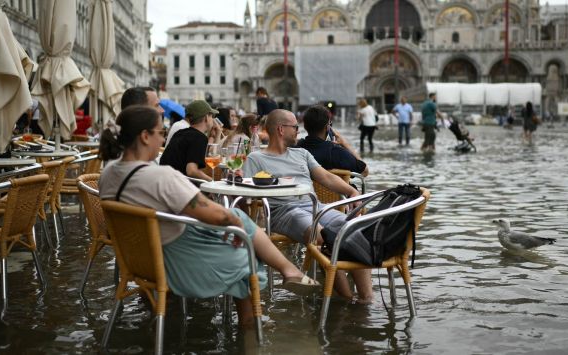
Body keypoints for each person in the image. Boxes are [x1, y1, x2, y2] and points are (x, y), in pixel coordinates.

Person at [98, 106, 319, 329]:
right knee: (245, 248)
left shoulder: (108, 174)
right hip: (174, 264)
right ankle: (253, 319)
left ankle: (287, 272)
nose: (163, 138)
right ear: (145, 136)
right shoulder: (159, 176)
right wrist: (236, 228)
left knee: (235, 218)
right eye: (160, 133)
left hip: (138, 260)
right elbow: (215, 214)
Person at [242, 109, 374, 304]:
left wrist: (352, 192)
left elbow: (326, 177)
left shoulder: (302, 153)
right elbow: (246, 194)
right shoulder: (256, 159)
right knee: (322, 236)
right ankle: (346, 300)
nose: (298, 131)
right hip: (284, 211)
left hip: (315, 207)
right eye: (295, 127)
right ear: (280, 129)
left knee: (354, 230)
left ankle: (366, 300)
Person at [297, 105, 368, 177]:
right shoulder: (337, 153)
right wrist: (345, 144)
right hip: (337, 188)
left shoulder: (296, 149)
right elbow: (365, 172)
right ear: (328, 127)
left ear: (305, 127)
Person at [160, 100, 222, 181]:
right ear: (206, 117)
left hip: (164, 182)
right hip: (175, 186)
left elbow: (210, 155)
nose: (213, 119)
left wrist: (217, 135)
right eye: (211, 116)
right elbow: (192, 171)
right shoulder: (198, 137)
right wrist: (211, 182)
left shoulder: (181, 133)